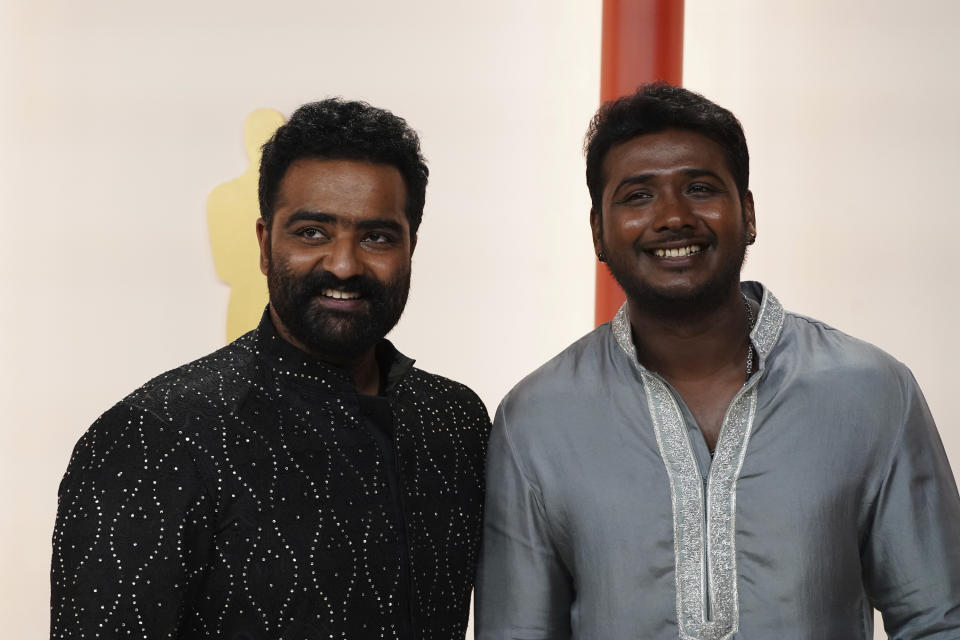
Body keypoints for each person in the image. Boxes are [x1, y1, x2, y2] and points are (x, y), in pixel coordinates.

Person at [475, 84, 960, 639]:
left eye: (700, 188)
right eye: (637, 196)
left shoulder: (872, 391)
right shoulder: (536, 419)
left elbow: (939, 619)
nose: (674, 218)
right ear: (597, 233)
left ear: (747, 213)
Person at [51, 98, 490, 639]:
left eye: (377, 236)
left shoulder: (455, 422)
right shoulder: (154, 438)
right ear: (264, 245)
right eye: (312, 232)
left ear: (411, 247)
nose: (344, 263)